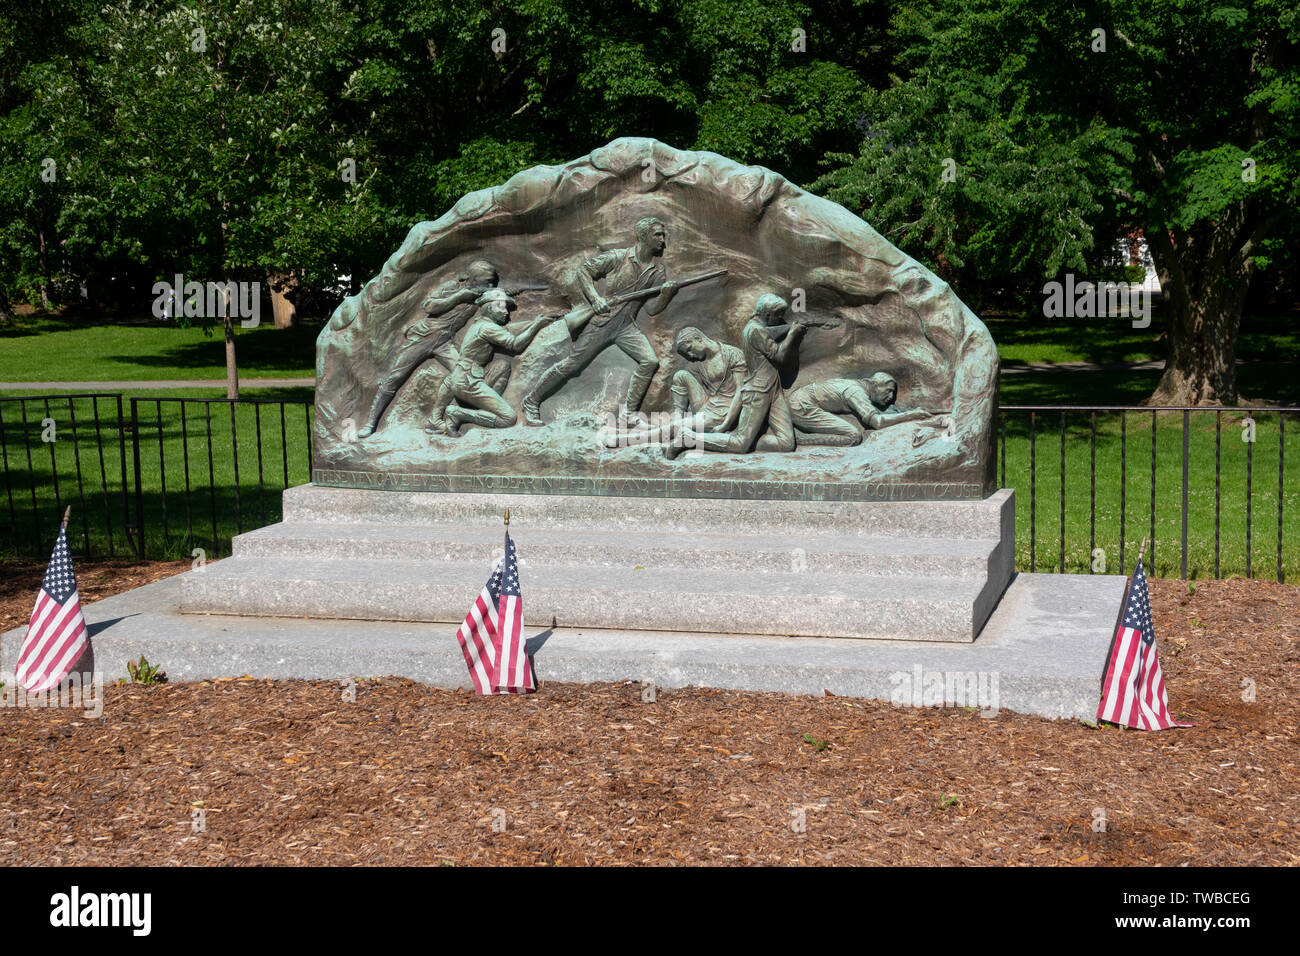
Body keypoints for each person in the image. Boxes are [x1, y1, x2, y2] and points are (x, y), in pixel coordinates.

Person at [521, 217, 678, 425]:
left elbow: (651, 309)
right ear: (643, 236)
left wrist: (666, 294)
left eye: (663, 235)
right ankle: (531, 400)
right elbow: (584, 270)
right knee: (572, 364)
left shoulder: (657, 271)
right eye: (658, 234)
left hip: (626, 326)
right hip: (602, 322)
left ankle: (628, 414)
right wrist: (595, 299)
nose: (662, 240)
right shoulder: (618, 257)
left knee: (650, 362)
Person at [357, 259, 499, 438]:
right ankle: (370, 423)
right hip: (423, 337)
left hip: (444, 343)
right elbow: (429, 306)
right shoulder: (451, 287)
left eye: (493, 281)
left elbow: (499, 296)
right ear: (473, 278)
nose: (491, 284)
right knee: (395, 378)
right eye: (488, 281)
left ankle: (436, 420)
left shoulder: (481, 294)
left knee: (463, 378)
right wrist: (459, 296)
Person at [683, 293, 808, 455]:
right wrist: (792, 335)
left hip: (773, 389)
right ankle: (689, 438)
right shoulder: (754, 330)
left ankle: (735, 440)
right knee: (740, 444)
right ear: (767, 314)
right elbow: (780, 356)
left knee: (786, 443)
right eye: (778, 315)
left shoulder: (758, 328)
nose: (780, 318)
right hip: (758, 391)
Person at [428, 290, 560, 435]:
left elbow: (510, 329)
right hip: (468, 381)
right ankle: (458, 413)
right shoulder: (487, 328)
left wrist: (534, 322)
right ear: (490, 308)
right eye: (501, 307)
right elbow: (515, 345)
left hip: (462, 375)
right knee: (508, 418)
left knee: (502, 366)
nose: (506, 313)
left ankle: (487, 407)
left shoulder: (480, 325)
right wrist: (537, 325)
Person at [788, 372, 940, 446]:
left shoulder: (858, 387)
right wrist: (911, 415)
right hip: (801, 407)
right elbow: (877, 423)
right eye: (888, 390)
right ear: (874, 385)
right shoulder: (856, 392)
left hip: (801, 400)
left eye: (893, 392)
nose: (891, 396)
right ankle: (803, 441)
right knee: (853, 436)